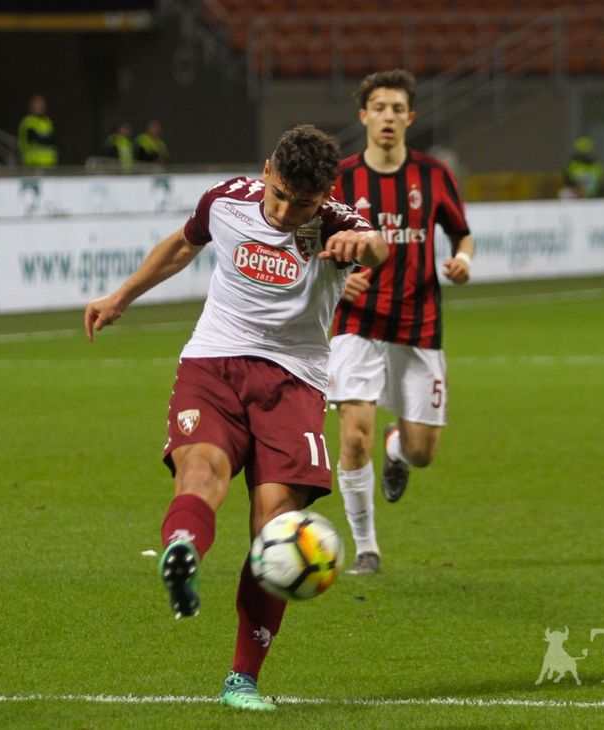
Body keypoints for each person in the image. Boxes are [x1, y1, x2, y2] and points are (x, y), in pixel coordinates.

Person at [83, 124, 388, 710]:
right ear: (268, 169)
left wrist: (363, 246)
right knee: (200, 474)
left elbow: (379, 245)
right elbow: (182, 243)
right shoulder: (227, 199)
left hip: (293, 381)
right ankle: (183, 551)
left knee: (273, 531)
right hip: (213, 362)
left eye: (302, 203)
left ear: (324, 193)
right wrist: (121, 296)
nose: (283, 211)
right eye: (279, 195)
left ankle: (242, 679)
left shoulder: (336, 223)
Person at [328, 69, 474, 575]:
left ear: (410, 118)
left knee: (423, 451)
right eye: (379, 107)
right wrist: (336, 277)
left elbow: (462, 234)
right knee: (352, 437)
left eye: (397, 109)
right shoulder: (342, 180)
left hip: (419, 324)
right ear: (363, 115)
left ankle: (397, 448)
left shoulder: (433, 176)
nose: (388, 116)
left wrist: (463, 262)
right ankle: (366, 547)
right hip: (355, 324)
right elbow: (311, 243)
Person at [17, 94, 57, 169]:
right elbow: (34, 138)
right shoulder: (28, 122)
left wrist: (48, 138)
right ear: (31, 106)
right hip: (32, 164)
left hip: (49, 165)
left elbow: (54, 139)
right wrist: (48, 138)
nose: (40, 107)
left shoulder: (47, 121)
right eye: (37, 104)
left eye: (41, 104)